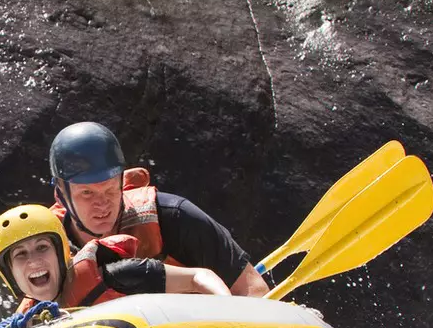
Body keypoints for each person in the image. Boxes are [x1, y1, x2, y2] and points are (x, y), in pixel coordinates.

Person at [46, 122, 272, 297]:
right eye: (87, 193)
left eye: (110, 189)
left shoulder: (174, 217)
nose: (102, 203)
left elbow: (254, 291)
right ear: (60, 195)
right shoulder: (45, 250)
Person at [0, 203, 226, 327]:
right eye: (20, 255)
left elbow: (198, 277)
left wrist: (229, 310)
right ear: (8, 274)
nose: (34, 261)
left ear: (61, 253)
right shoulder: (21, 326)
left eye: (42, 247)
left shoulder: (115, 276)